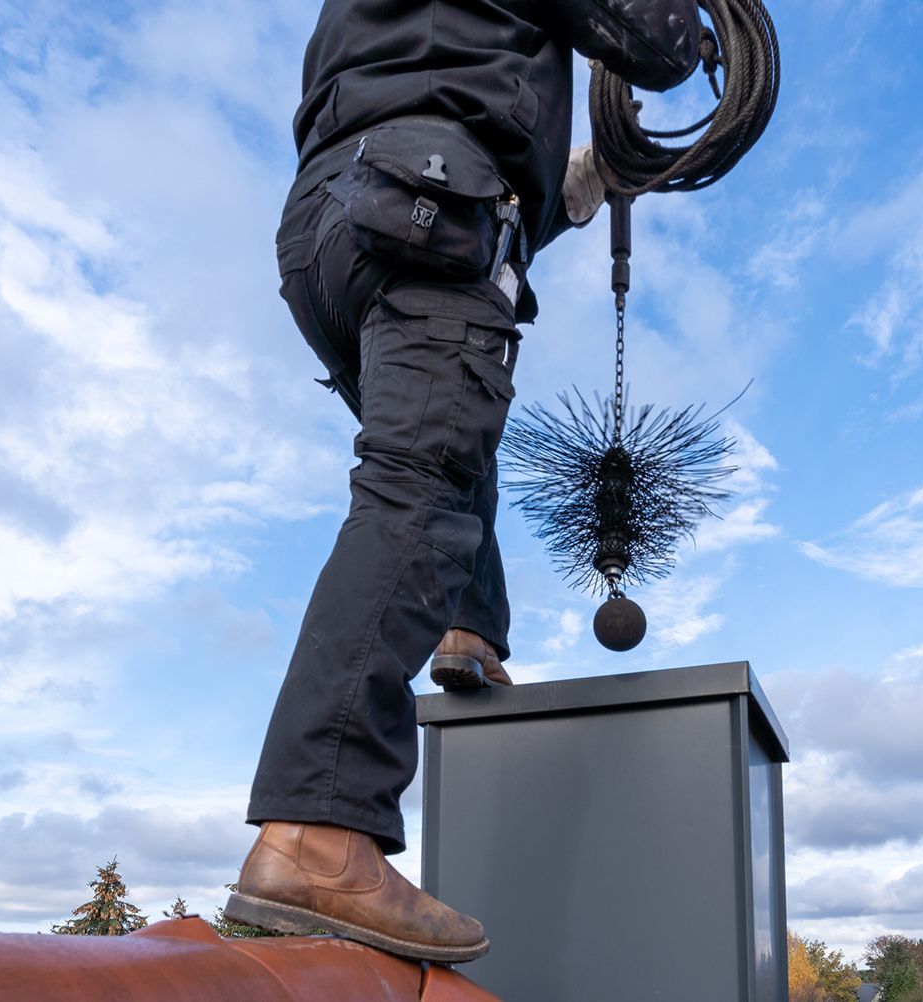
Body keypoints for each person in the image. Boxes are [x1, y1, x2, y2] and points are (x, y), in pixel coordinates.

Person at [224, 0, 704, 964]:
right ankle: (319, 833)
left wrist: (575, 186)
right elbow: (658, 41)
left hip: (336, 223)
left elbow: (443, 100)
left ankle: (468, 629)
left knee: (447, 442)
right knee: (424, 483)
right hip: (422, 203)